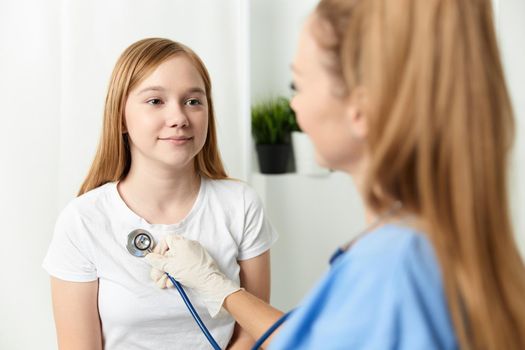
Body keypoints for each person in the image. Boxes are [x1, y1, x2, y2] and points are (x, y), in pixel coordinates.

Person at [145, 0, 525, 349]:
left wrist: (216, 285)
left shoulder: (395, 267)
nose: (294, 105)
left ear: (360, 108)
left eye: (299, 85)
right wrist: (220, 287)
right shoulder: (415, 244)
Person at [42, 38, 278, 350]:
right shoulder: (84, 220)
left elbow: (253, 333)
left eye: (193, 101)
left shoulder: (240, 205)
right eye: (155, 101)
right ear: (120, 117)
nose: (179, 117)